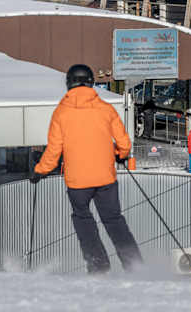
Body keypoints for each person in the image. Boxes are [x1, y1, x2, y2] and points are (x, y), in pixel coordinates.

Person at [32, 64, 142, 274]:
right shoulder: (105, 109)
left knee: (83, 220)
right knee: (114, 220)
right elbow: (124, 142)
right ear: (91, 83)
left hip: (77, 182)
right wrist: (121, 155)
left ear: (69, 84)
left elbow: (54, 151)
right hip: (105, 180)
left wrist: (40, 171)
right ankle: (134, 265)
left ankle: (98, 265)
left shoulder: (61, 113)